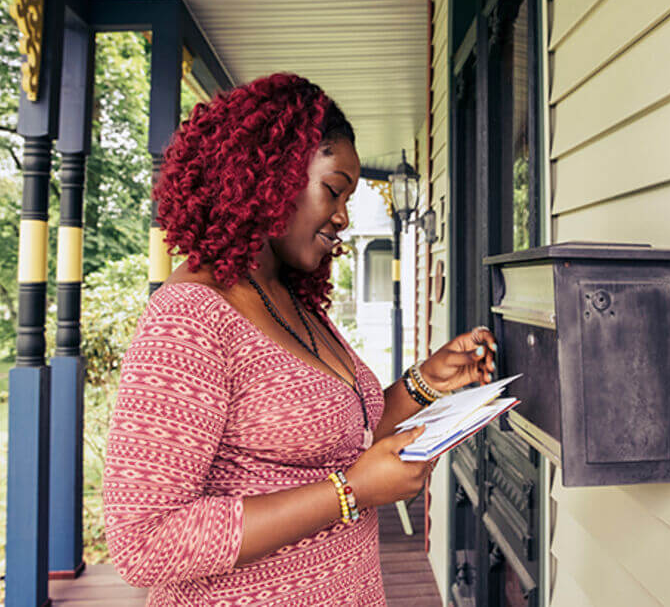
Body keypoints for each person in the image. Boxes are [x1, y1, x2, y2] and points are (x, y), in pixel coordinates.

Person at [103, 73, 496, 606]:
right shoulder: (190, 316)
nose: (342, 216)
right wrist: (351, 493)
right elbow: (146, 541)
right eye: (333, 190)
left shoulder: (292, 298)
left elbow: (340, 434)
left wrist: (426, 382)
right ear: (266, 173)